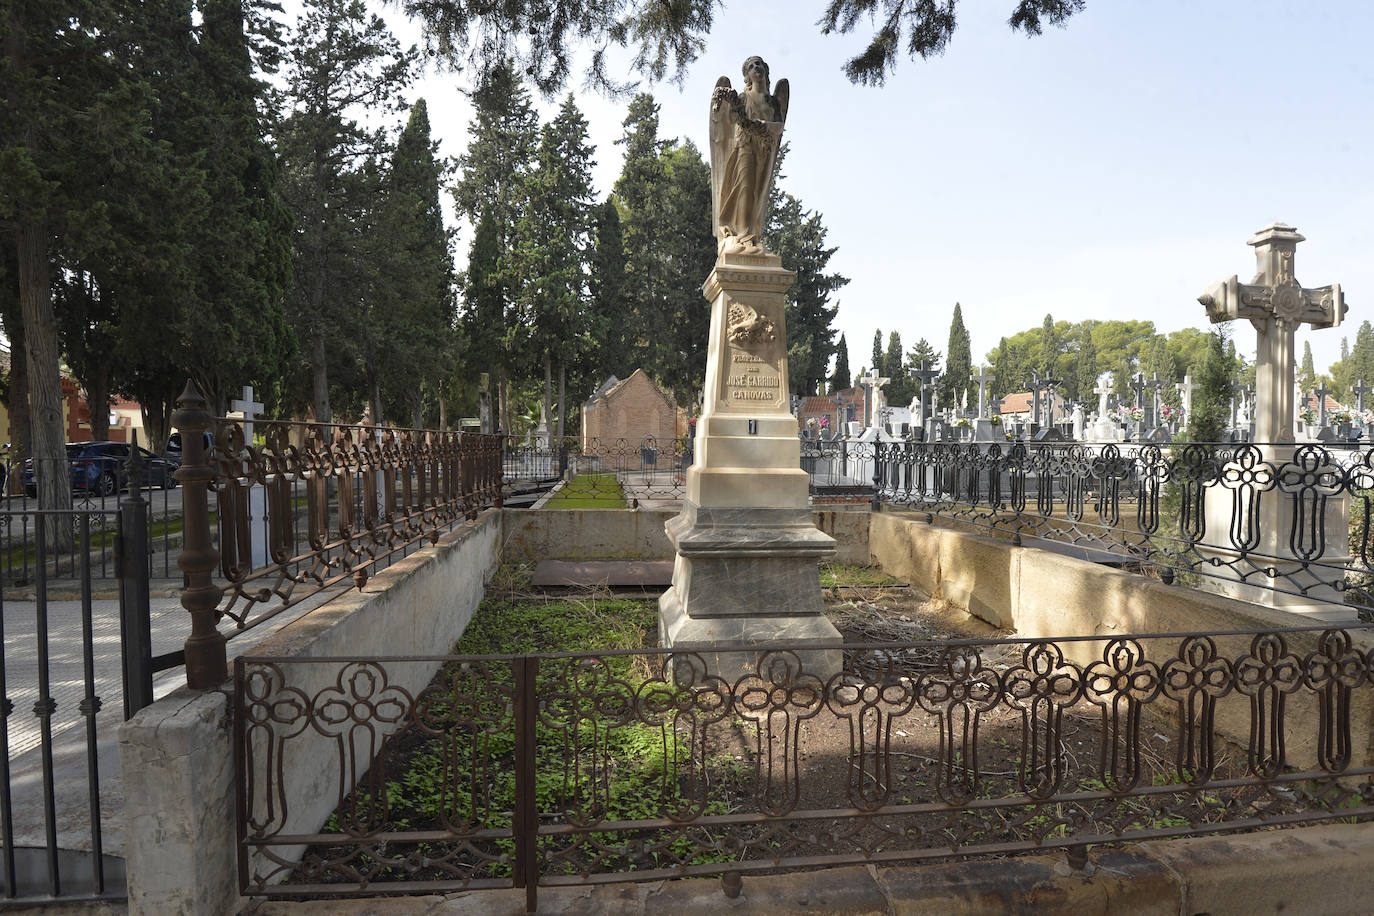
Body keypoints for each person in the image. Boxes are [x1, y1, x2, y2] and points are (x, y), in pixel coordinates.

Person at [709, 56, 789, 255]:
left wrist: (761, 126)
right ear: (747, 76)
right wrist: (738, 111)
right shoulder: (744, 98)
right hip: (744, 147)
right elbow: (733, 120)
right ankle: (743, 237)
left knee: (756, 193)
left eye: (759, 64)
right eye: (751, 66)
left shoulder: (773, 103)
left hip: (764, 151)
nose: (756, 68)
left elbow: (779, 127)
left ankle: (753, 236)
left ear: (765, 70)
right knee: (744, 187)